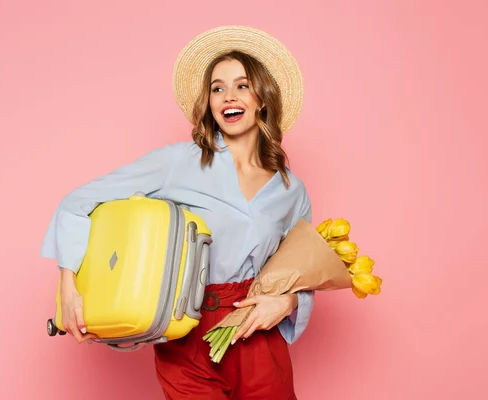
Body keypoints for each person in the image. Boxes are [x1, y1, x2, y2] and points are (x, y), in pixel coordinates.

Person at [40, 26, 314, 399]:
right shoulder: (177, 162)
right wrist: (68, 285)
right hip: (185, 329)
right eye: (217, 88)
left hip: (256, 334)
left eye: (242, 85)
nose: (228, 97)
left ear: (262, 98)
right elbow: (77, 203)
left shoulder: (290, 189)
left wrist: (288, 302)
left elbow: (302, 271)